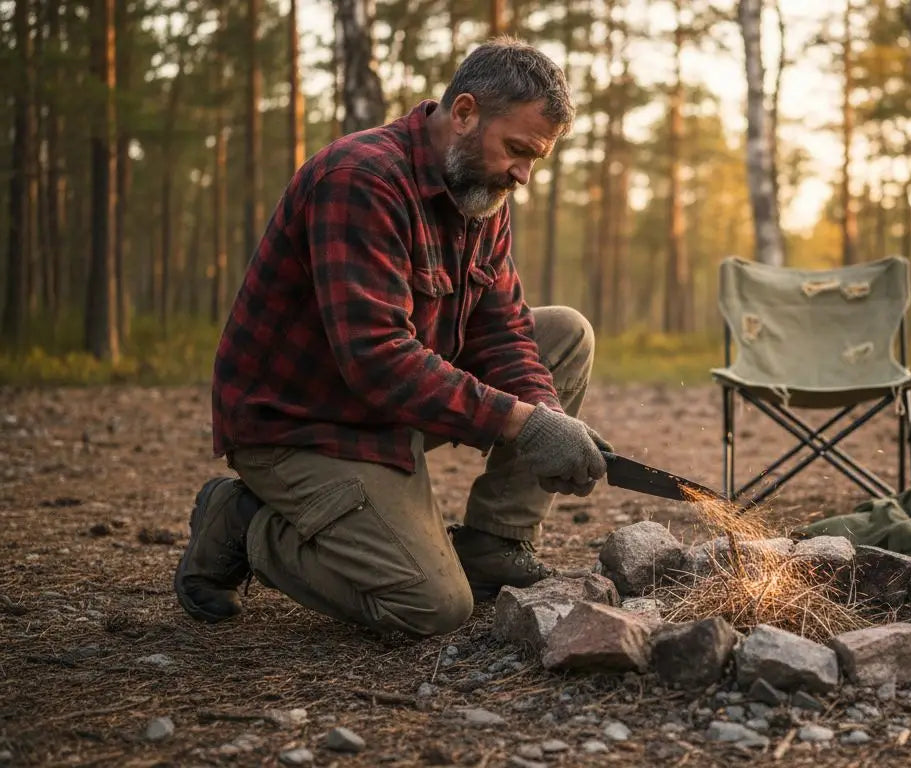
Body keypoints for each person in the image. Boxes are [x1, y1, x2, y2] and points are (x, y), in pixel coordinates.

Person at [174, 38, 610, 638]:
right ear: (464, 113)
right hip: (302, 425)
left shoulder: (481, 191)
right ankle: (243, 521)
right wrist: (521, 424)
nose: (523, 175)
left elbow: (505, 330)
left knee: (565, 333)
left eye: (535, 159)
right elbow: (377, 358)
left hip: (390, 410)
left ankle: (494, 544)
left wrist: (547, 415)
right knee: (432, 606)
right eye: (517, 150)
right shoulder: (360, 179)